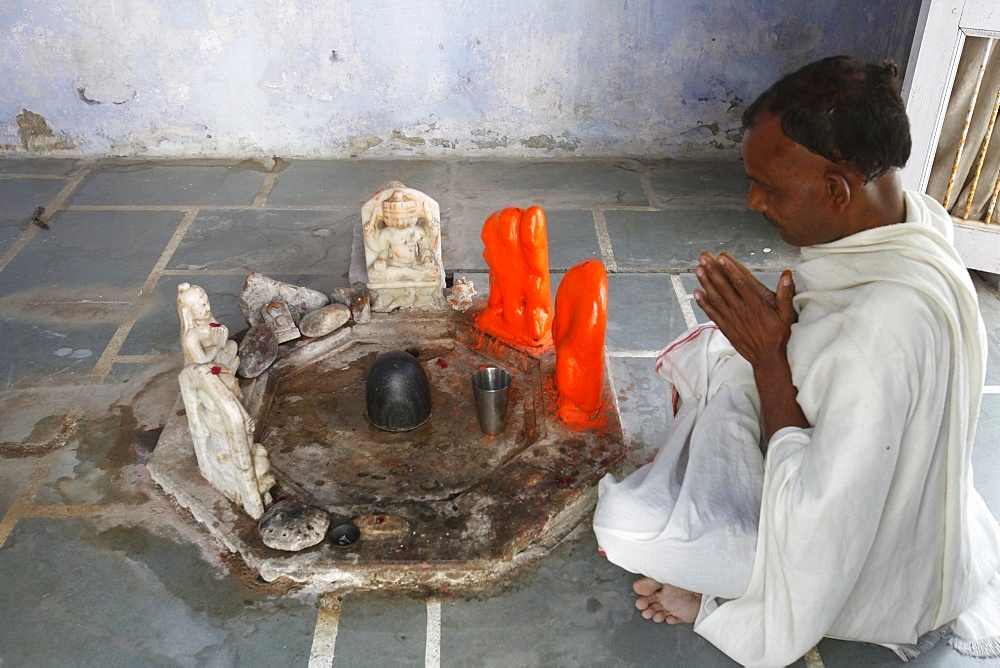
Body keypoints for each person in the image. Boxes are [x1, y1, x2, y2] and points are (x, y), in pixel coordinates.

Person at [593, 56, 1000, 665]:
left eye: (771, 187)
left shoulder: (882, 329)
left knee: (624, 526)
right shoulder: (920, 227)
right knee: (717, 356)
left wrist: (769, 359)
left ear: (837, 189)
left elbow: (822, 529)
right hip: (889, 496)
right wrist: (768, 344)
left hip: (866, 567)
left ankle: (720, 590)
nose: (754, 201)